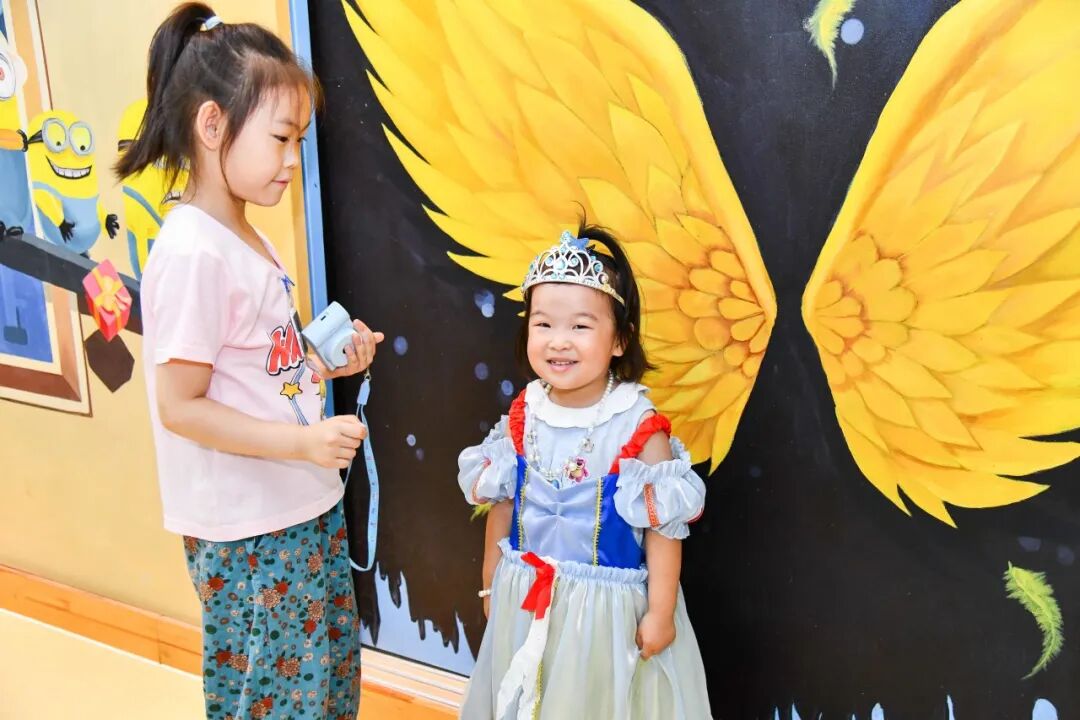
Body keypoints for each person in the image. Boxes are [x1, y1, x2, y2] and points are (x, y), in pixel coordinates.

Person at [118, 5, 381, 718]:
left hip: (298, 505)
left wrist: (323, 363)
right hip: (251, 531)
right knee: (275, 697)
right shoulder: (192, 251)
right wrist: (304, 442)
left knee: (321, 686)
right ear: (212, 125)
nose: (294, 161)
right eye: (281, 139)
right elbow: (181, 407)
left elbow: (260, 372)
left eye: (300, 141)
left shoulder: (242, 237)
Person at [458, 223, 712, 719]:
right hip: (527, 600)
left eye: (580, 327)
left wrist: (660, 612)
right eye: (543, 324)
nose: (559, 342)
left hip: (605, 619)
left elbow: (662, 529)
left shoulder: (636, 425)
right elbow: (503, 506)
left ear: (619, 340)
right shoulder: (525, 413)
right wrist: (491, 584)